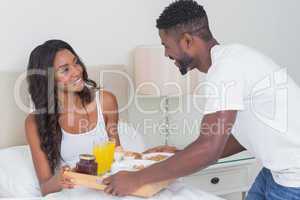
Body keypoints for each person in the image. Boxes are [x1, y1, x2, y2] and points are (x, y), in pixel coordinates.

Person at [103, 1, 300, 199]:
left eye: (167, 46)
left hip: (293, 178)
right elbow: (240, 136)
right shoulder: (233, 59)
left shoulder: (225, 69)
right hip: (276, 171)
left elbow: (209, 149)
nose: (166, 54)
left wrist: (136, 179)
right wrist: (182, 155)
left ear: (187, 41)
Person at [25, 39, 121, 196]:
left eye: (76, 63)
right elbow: (45, 187)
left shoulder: (105, 101)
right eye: (65, 70)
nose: (77, 71)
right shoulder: (34, 122)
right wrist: (60, 179)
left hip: (109, 188)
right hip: (72, 193)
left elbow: (118, 156)